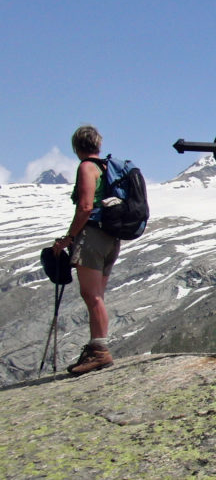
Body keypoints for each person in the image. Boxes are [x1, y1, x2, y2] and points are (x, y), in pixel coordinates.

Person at [52, 125, 120, 374]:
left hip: (92, 236)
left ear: (77, 147)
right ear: (98, 145)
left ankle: (100, 351)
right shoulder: (106, 168)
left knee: (91, 296)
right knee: (97, 295)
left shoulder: (86, 168)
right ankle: (97, 347)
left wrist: (69, 238)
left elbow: (85, 206)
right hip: (111, 237)